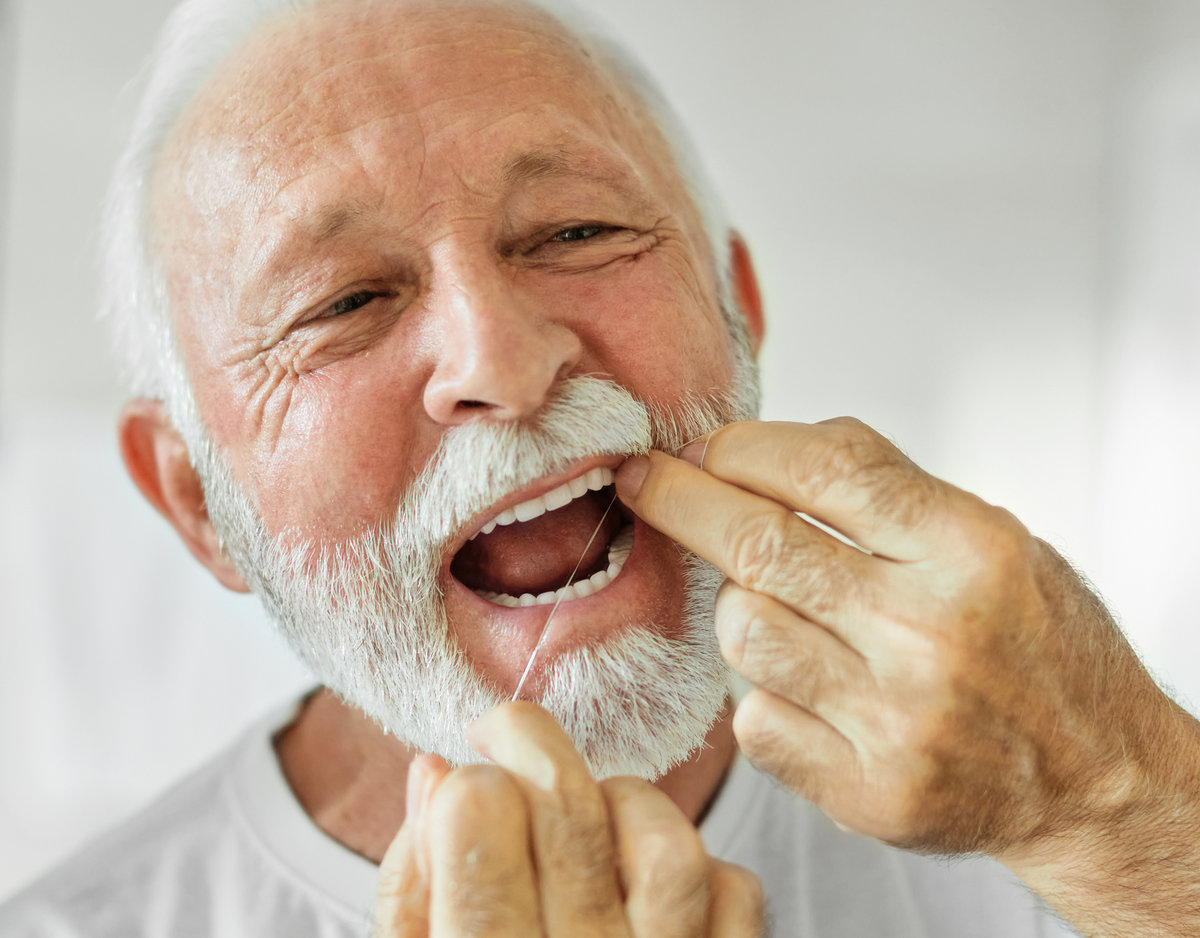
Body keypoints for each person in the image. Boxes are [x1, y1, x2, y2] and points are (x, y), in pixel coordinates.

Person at [2, 0, 1198, 935]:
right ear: (198, 502)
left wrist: (1124, 802)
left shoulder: (1072, 813)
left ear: (738, 309)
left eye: (574, 232)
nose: (506, 364)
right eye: (347, 301)